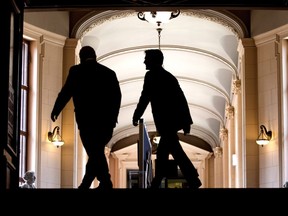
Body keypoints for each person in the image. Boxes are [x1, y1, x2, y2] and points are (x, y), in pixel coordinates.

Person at [51, 46, 122, 189]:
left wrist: (56, 109)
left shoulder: (76, 71)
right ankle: (99, 182)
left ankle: (97, 182)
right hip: (105, 122)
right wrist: (113, 118)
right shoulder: (108, 73)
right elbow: (116, 97)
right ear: (95, 56)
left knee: (94, 151)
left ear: (81, 57)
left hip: (86, 121)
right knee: (96, 151)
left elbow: (66, 92)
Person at [132, 49, 202, 189]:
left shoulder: (151, 76)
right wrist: (186, 121)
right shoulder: (168, 77)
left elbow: (145, 97)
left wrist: (136, 115)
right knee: (168, 151)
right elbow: (181, 99)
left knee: (172, 151)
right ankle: (187, 179)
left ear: (153, 60)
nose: (144, 61)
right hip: (170, 121)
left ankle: (185, 178)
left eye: (146, 59)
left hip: (165, 121)